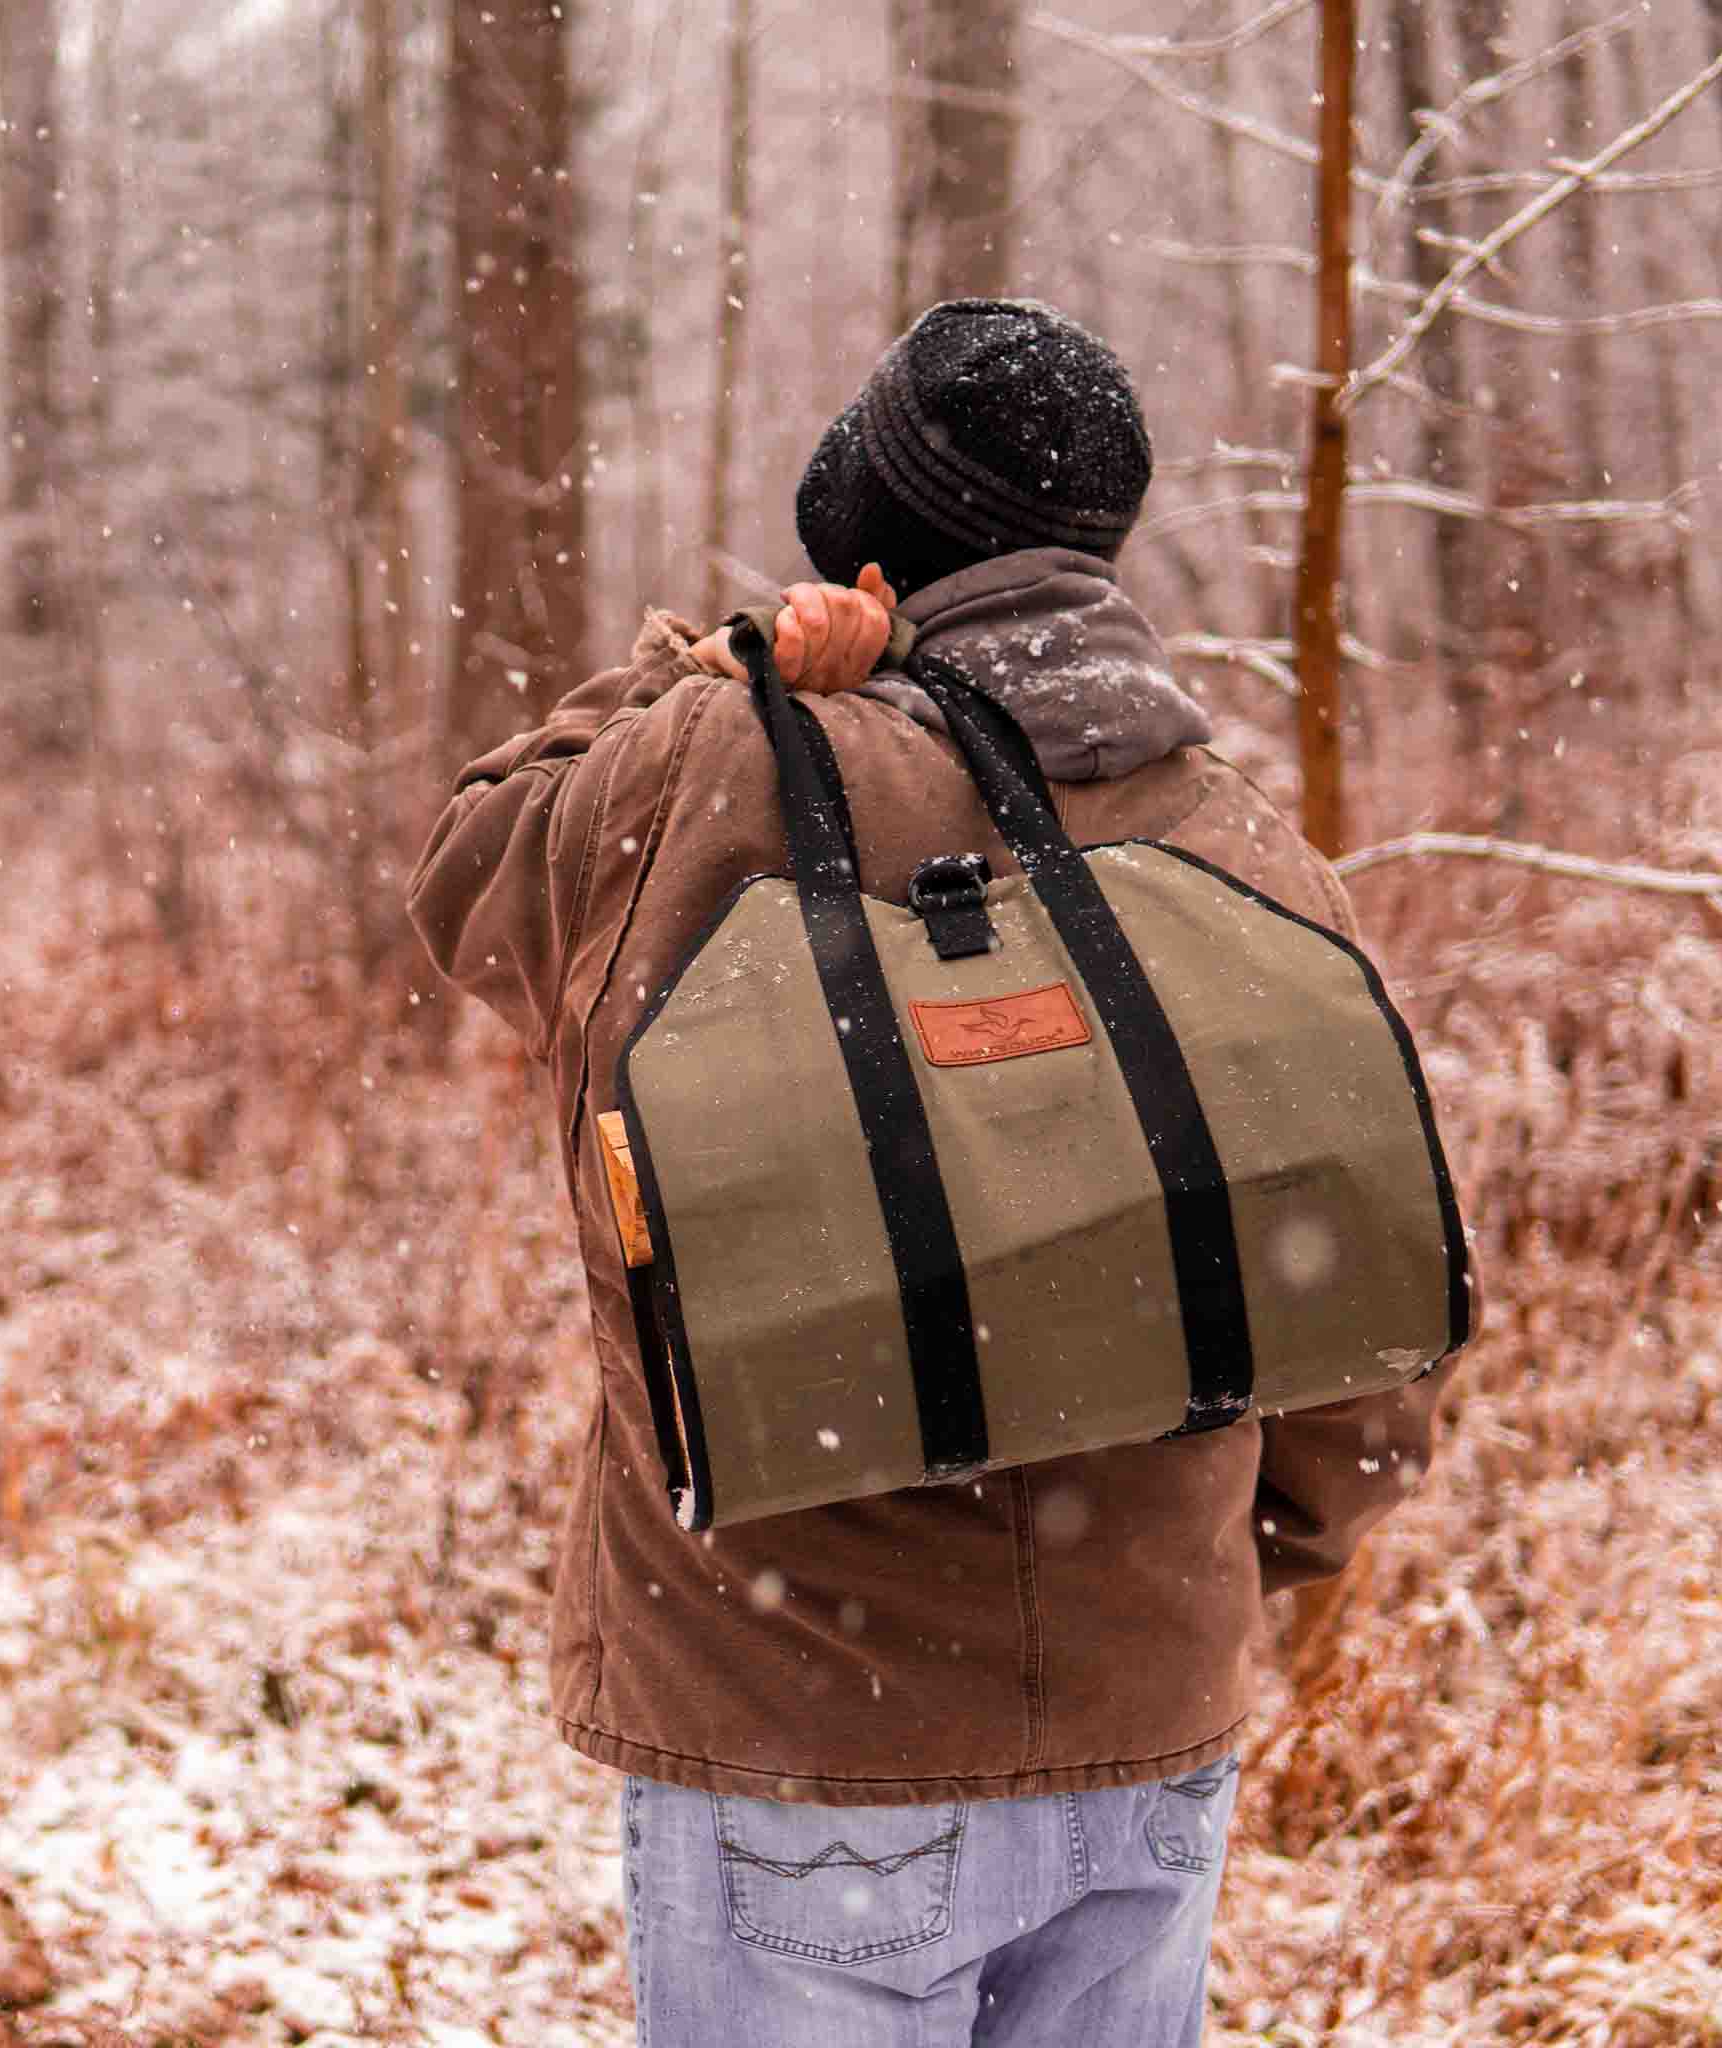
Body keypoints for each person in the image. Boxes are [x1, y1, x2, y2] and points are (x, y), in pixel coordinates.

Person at [408, 299, 1456, 2047]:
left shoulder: (732, 771)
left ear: (868, 529)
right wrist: (1237, 1559)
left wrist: (723, 670)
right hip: (1150, 1733)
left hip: (804, 1735)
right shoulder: (1239, 835)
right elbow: (1360, 1294)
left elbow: (472, 866)